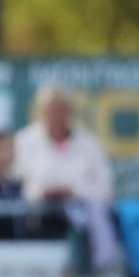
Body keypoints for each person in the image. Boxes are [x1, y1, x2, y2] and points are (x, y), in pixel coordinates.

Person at [14, 84, 113, 238]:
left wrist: (74, 192)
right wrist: (40, 194)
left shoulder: (89, 143)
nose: (56, 115)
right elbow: (17, 184)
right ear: (40, 111)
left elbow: (104, 187)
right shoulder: (25, 141)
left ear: (70, 111)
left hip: (82, 225)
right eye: (50, 110)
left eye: (61, 109)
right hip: (36, 224)